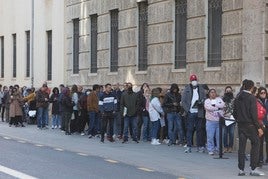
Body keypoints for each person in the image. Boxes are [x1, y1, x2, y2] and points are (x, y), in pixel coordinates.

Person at [233, 80, 265, 176]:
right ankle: (253, 168)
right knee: (256, 144)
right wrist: (258, 127)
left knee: (241, 148)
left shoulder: (238, 96)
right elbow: (253, 114)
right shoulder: (251, 97)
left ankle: (241, 169)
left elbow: (234, 113)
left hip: (241, 125)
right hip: (250, 125)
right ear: (251, 87)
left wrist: (239, 120)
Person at [181, 74, 206, 153]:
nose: (194, 81)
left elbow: (204, 98)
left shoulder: (201, 89)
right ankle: (189, 145)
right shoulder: (187, 89)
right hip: (190, 112)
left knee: (199, 130)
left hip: (199, 112)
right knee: (190, 129)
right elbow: (183, 101)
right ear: (190, 81)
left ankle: (199, 146)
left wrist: (201, 102)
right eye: (192, 80)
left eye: (195, 80)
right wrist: (187, 110)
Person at [204, 89, 225, 155]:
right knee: (210, 136)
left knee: (219, 137)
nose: (213, 93)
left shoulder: (219, 99)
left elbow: (223, 105)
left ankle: (219, 149)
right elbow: (209, 108)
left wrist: (215, 106)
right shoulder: (207, 101)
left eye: (214, 92)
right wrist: (218, 108)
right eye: (211, 92)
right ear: (209, 93)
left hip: (219, 121)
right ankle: (210, 149)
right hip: (210, 121)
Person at [256, 87, 268, 167]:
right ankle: (259, 159)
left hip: (267, 124)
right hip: (260, 124)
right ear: (259, 93)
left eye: (264, 93)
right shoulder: (257, 101)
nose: (263, 94)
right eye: (261, 93)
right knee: (259, 143)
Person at [222, 86, 235, 153]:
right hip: (224, 118)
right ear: (225, 92)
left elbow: (235, 108)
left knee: (231, 133)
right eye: (227, 91)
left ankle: (230, 147)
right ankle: (225, 147)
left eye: (229, 91)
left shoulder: (234, 99)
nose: (228, 92)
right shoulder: (222, 99)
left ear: (232, 91)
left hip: (232, 119)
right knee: (224, 133)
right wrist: (223, 113)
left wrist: (230, 113)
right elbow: (220, 108)